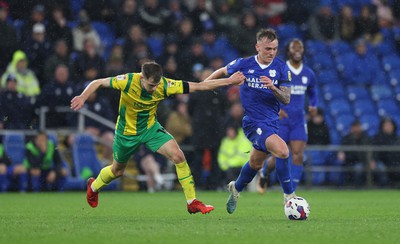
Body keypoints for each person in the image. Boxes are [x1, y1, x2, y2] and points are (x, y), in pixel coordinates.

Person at [70, 61, 245, 214]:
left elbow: (199, 86)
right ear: (141, 78)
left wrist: (230, 81)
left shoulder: (165, 84)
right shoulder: (127, 80)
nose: (154, 89)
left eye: (156, 85)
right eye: (151, 85)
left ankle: (192, 202)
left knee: (178, 156)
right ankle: (93, 187)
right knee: (118, 171)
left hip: (150, 129)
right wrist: (83, 97)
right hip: (126, 133)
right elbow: (97, 82)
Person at [204, 28, 295, 214]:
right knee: (283, 151)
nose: (272, 53)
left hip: (271, 123)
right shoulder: (244, 64)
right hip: (253, 122)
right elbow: (221, 71)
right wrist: (205, 85)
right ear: (258, 47)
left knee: (255, 164)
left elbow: (286, 99)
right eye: (268, 48)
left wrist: (273, 88)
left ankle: (235, 189)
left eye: (275, 49)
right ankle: (290, 197)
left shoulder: (281, 68)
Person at [258, 39, 318, 194]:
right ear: (289, 51)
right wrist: (275, 110)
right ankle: (264, 172)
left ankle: (291, 193)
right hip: (282, 120)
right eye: (294, 48)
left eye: (300, 47)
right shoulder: (281, 69)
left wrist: (313, 104)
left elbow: (313, 90)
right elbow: (266, 90)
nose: (297, 50)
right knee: (280, 155)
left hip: (298, 119)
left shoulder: (308, 73)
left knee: (298, 155)